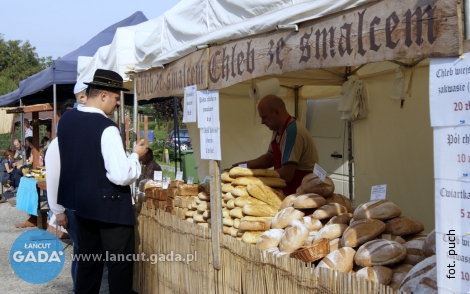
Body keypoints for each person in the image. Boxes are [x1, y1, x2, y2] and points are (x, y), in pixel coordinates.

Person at [48, 69, 147, 294]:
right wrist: (135, 156)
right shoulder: (107, 128)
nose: (117, 103)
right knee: (119, 266)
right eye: (115, 97)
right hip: (110, 208)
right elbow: (121, 175)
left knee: (88, 262)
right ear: (103, 95)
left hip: (82, 206)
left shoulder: (67, 119)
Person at [233, 94, 319, 195]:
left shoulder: (292, 132)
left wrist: (254, 177)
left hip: (298, 191)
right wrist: (245, 166)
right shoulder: (278, 129)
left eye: (264, 117)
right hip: (285, 188)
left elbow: (287, 174)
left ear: (276, 112)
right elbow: (270, 158)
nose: (262, 122)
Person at [45, 97, 82, 292]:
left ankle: (80, 287)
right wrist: (58, 211)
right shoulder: (57, 145)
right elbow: (52, 178)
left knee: (81, 252)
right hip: (69, 208)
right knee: (82, 252)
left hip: (80, 205)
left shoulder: (75, 141)